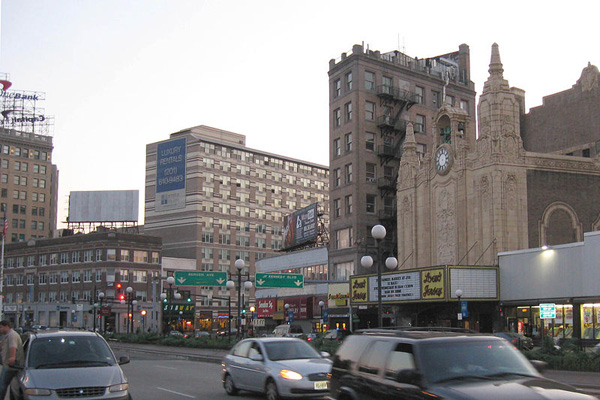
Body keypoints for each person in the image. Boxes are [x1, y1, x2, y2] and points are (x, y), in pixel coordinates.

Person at [0, 320, 24, 399]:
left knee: (2, 385)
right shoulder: (8, 335)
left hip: (10, 365)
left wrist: (12, 357)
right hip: (11, 365)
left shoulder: (12, 335)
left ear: (6, 326)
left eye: (0, 327)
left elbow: (13, 347)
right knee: (15, 385)